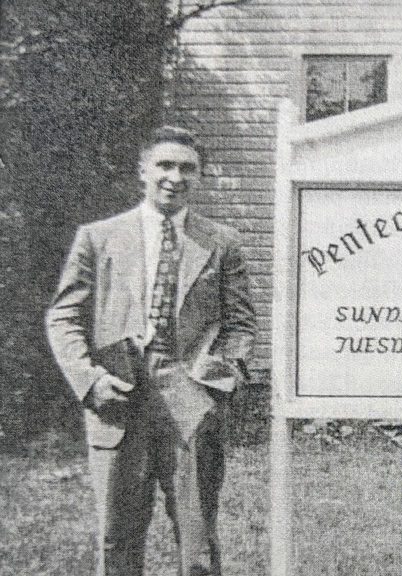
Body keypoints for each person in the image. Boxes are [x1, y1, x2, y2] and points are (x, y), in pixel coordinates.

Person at [46, 125, 257, 576]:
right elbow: (63, 318)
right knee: (116, 535)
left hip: (189, 399)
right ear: (142, 171)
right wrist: (90, 380)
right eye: (164, 165)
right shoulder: (98, 238)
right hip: (118, 395)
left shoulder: (221, 243)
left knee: (196, 536)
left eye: (187, 168)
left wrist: (218, 383)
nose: (174, 177)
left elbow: (240, 325)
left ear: (200, 176)